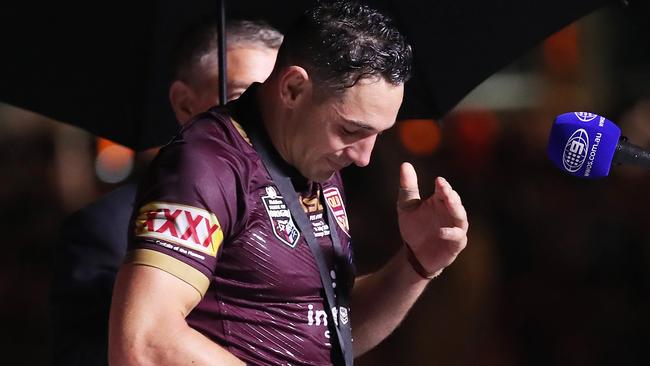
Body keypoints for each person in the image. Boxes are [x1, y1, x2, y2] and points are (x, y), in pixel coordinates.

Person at [109, 1, 469, 365]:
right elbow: (145, 342)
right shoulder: (207, 163)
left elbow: (328, 330)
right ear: (294, 88)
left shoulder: (312, 158)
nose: (364, 157)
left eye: (377, 134)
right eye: (350, 129)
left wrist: (416, 265)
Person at [50, 20, 283, 366]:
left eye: (279, 100)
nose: (265, 120)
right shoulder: (106, 228)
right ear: (185, 104)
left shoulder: (294, 214)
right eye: (242, 98)